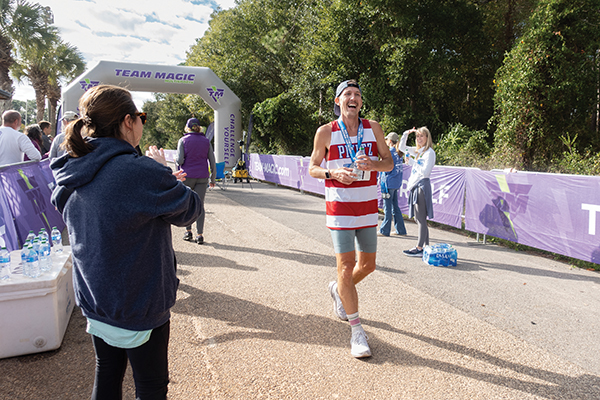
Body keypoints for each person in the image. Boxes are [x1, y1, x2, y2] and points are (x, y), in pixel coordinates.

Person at [50, 84, 202, 400]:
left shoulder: (72, 166)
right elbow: (190, 210)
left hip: (95, 297)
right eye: (141, 117)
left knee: (107, 373)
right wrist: (163, 172)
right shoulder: (141, 171)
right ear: (127, 121)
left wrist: (158, 180)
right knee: (150, 386)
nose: (142, 123)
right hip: (139, 303)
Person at [309, 79, 393, 358]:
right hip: (340, 208)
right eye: (347, 94)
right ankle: (357, 331)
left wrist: (374, 164)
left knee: (367, 266)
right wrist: (333, 173)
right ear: (338, 101)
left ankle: (338, 290)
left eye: (357, 94)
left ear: (360, 102)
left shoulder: (374, 128)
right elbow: (312, 168)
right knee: (345, 267)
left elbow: (389, 162)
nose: (353, 98)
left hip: (367, 207)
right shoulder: (326, 132)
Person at [176, 118, 216, 244]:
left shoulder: (183, 140)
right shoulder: (206, 141)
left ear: (187, 128)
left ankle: (188, 232)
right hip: (202, 177)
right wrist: (212, 178)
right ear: (199, 128)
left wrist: (177, 161)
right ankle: (200, 235)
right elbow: (212, 161)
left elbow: (180, 160)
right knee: (200, 204)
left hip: (186, 176)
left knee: (187, 203)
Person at [398, 126, 436, 257]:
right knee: (420, 219)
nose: (419, 138)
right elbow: (402, 148)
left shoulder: (429, 153)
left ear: (427, 137)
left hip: (422, 185)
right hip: (415, 186)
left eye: (422, 136)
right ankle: (425, 246)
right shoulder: (419, 151)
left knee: (420, 219)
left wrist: (413, 162)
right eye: (417, 136)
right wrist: (406, 134)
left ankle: (419, 247)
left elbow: (425, 172)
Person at [378, 132, 407, 236]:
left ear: (389, 141)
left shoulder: (389, 153)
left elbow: (384, 168)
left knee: (387, 207)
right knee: (395, 207)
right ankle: (401, 230)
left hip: (388, 183)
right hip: (396, 183)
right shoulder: (399, 153)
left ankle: (384, 230)